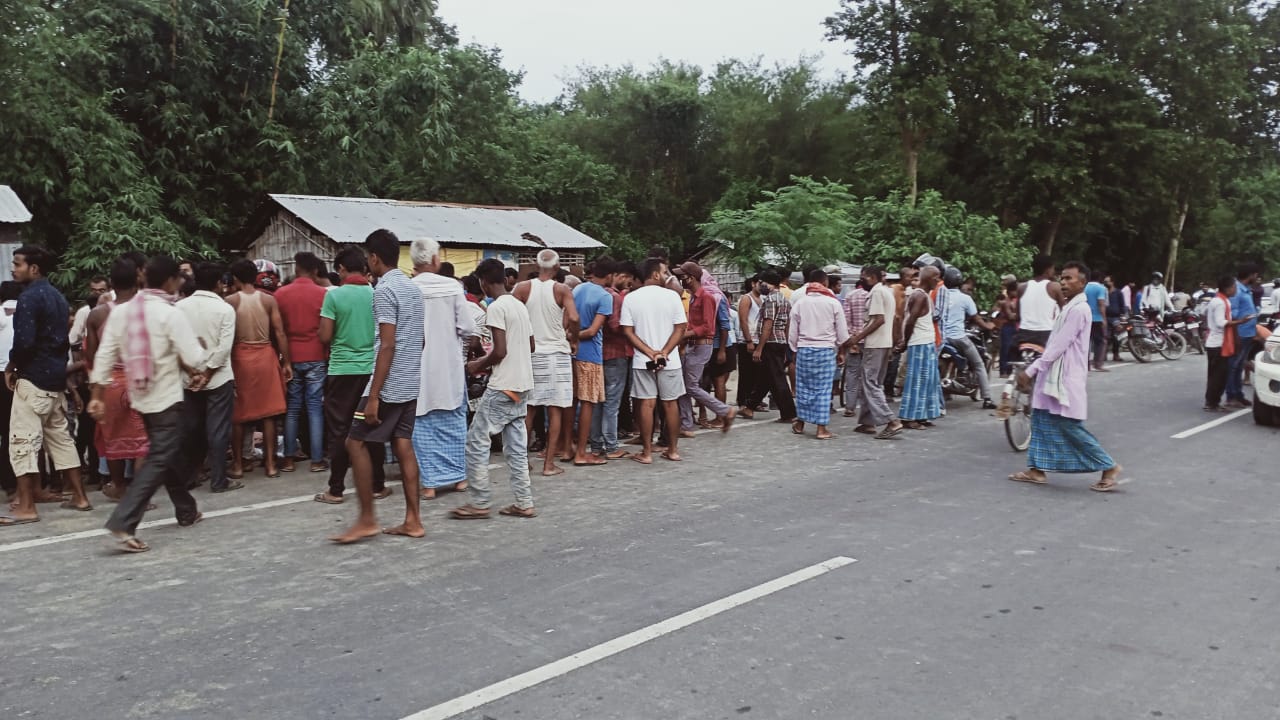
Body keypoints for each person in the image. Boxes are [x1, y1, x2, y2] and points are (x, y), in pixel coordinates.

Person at [89, 256, 211, 552]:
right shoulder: (170, 314)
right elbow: (195, 357)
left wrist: (96, 395)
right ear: (170, 281)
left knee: (163, 452)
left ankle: (186, 509)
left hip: (139, 395)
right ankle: (124, 520)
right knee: (159, 456)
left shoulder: (122, 312)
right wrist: (201, 349)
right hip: (166, 397)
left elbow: (105, 355)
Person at [331, 229, 426, 543]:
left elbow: (387, 345)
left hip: (387, 384)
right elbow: (418, 339)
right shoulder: (412, 288)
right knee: (403, 444)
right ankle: (413, 520)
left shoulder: (384, 290)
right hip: (410, 380)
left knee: (354, 443)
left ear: (373, 258)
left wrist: (373, 395)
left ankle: (367, 518)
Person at [1009, 261, 1123, 492]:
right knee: (1040, 421)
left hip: (1065, 377)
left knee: (1069, 427)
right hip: (1052, 374)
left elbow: (1059, 345)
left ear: (1083, 282)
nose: (1063, 283)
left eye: (1069, 278)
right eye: (1062, 278)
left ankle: (1108, 466)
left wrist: (1031, 370)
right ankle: (1036, 470)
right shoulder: (1069, 307)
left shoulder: (1079, 310)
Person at [1, 246, 92, 526]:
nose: (14, 269)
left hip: (33, 378)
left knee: (23, 442)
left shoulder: (28, 298)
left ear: (34, 268)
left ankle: (27, 506)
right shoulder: (58, 297)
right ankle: (79, 496)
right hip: (54, 378)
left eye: (18, 264)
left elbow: (25, 341)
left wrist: (12, 365)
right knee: (61, 439)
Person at [452, 258, 537, 519]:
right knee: (515, 447)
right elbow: (531, 346)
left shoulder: (497, 308)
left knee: (476, 441)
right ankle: (524, 502)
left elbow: (499, 350)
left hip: (503, 386)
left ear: (483, 282)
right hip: (522, 385)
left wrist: (478, 363)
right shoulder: (518, 305)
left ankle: (479, 502)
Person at [315, 246, 388, 505]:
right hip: (371, 371)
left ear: (342, 270)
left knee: (339, 431)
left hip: (342, 369)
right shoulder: (376, 294)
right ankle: (378, 485)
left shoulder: (334, 297)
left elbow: (324, 336)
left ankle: (336, 489)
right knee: (372, 428)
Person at [409, 237, 477, 500]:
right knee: (453, 421)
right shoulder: (452, 287)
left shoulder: (408, 288)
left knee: (422, 424)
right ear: (435, 260)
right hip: (449, 366)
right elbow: (468, 328)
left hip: (419, 369)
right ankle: (458, 478)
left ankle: (430, 484)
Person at [83, 258, 151, 501]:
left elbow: (91, 355)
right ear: (138, 280)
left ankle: (119, 486)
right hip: (141, 380)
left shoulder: (98, 314)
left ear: (111, 283)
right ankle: (140, 494)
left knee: (112, 439)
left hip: (110, 382)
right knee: (144, 439)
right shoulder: (146, 310)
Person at [176, 261, 241, 494]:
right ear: (219, 283)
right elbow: (224, 347)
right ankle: (218, 479)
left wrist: (193, 372)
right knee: (218, 430)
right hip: (218, 377)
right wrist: (208, 372)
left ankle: (189, 476)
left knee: (191, 429)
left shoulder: (180, 307)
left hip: (187, 377)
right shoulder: (224, 309)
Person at [513, 249, 579, 477]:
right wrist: (573, 338)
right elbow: (574, 318)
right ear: (557, 266)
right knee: (556, 409)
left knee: (528, 410)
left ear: (537, 264)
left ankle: (522, 463)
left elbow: (511, 315)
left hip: (531, 353)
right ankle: (549, 464)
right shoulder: (562, 290)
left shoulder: (522, 288)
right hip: (557, 353)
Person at [225, 259, 290, 479]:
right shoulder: (269, 300)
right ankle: (271, 465)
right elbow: (280, 333)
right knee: (269, 414)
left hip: (240, 358)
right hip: (265, 356)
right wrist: (287, 362)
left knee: (239, 415)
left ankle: (238, 465)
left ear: (234, 278)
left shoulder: (230, 301)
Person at [621, 257, 688, 464]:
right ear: (656, 274)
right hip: (670, 360)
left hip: (643, 360)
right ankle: (673, 450)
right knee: (671, 404)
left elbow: (627, 331)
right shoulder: (672, 296)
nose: (667, 276)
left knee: (646, 404)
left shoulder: (631, 298)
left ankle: (647, 452)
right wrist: (665, 351)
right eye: (665, 272)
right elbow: (681, 328)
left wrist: (650, 352)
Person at [274, 252, 329, 473]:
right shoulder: (323, 294)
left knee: (293, 409)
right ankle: (316, 460)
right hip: (316, 355)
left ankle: (288, 459)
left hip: (291, 357)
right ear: (315, 271)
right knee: (315, 408)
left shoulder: (280, 294)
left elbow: (278, 331)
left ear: (295, 270)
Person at [673, 261, 735, 435]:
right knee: (685, 386)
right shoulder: (694, 296)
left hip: (702, 346)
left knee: (690, 385)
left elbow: (708, 327)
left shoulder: (706, 296)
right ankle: (686, 424)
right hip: (694, 345)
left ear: (691, 278)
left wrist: (685, 335)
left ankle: (724, 410)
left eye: (682, 277)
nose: (681, 280)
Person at [788, 269, 849, 439]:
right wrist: (841, 351)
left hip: (804, 349)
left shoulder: (800, 303)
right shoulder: (833, 303)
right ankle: (821, 429)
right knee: (823, 390)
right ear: (825, 283)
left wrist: (794, 350)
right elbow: (842, 333)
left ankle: (800, 422)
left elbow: (793, 333)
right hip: (825, 350)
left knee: (803, 387)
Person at [570, 258, 615, 465]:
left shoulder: (577, 289)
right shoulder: (605, 297)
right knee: (588, 402)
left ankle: (567, 447)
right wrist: (578, 336)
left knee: (571, 402)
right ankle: (581, 452)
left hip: (572, 353)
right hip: (591, 354)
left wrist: (570, 338)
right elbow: (593, 330)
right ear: (609, 276)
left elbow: (568, 319)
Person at [591, 262, 635, 460]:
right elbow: (616, 326)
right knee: (612, 402)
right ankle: (611, 445)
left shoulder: (594, 293)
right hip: (616, 353)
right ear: (615, 275)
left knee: (598, 402)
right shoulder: (614, 297)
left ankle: (596, 444)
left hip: (598, 352)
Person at [743, 270, 797, 423]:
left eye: (761, 283)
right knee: (766, 377)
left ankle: (789, 413)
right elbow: (787, 325)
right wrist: (786, 343)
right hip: (779, 342)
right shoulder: (785, 300)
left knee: (777, 378)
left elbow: (768, 324)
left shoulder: (771, 300)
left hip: (770, 342)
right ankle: (749, 407)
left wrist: (759, 348)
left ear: (768, 283)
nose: (760, 285)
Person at [942, 269, 997, 408]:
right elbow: (976, 318)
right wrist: (988, 326)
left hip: (941, 338)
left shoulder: (939, 296)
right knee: (979, 364)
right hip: (958, 338)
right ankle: (987, 399)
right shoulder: (965, 298)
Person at [898, 266, 943, 430]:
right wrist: (905, 341)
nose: (937, 281)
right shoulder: (919, 296)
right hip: (919, 343)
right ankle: (909, 417)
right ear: (929, 278)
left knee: (927, 381)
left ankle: (922, 415)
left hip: (926, 342)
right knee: (916, 382)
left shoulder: (924, 295)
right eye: (936, 277)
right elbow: (910, 321)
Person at [1204, 274, 1241, 412]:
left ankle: (1212, 401)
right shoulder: (1220, 302)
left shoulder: (1219, 300)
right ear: (1228, 288)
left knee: (1216, 375)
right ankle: (1211, 402)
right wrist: (1239, 322)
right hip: (1218, 343)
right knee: (1218, 376)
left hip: (1216, 342)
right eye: (1234, 287)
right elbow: (1220, 323)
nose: (1236, 289)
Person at [1225, 263, 1261, 408]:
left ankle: (1238, 395)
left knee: (1239, 365)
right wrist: (1235, 336)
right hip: (1239, 333)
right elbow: (1232, 315)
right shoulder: (1236, 290)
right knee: (1233, 366)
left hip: (1247, 333)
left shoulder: (1246, 290)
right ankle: (1231, 396)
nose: (1257, 277)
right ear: (1251, 274)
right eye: (1256, 274)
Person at [0, 281, 22, 497]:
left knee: (6, 430)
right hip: (22, 374)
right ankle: (34, 481)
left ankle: (7, 481)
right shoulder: (28, 312)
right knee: (24, 430)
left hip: (2, 374)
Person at [840, 275, 870, 418]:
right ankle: (866, 406)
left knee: (852, 374)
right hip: (869, 341)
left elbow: (845, 319)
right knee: (867, 375)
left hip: (853, 341)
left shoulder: (849, 296)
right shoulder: (871, 296)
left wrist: (852, 338)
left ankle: (849, 407)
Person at [1017, 255, 1062, 348]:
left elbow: (1018, 315)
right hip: (1045, 334)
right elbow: (1065, 311)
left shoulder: (1021, 287)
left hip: (1023, 333)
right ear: (1048, 270)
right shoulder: (1055, 287)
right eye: (1053, 268)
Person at [736, 276, 765, 417]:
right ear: (753, 284)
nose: (762, 285)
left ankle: (753, 401)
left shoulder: (763, 299)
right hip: (747, 340)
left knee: (757, 373)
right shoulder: (747, 299)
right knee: (746, 373)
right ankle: (742, 401)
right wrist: (748, 340)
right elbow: (743, 319)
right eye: (760, 282)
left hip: (759, 340)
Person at [994, 276, 1020, 376]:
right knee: (1006, 348)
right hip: (1008, 326)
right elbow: (1010, 316)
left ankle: (1009, 370)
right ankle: (1003, 370)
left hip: (1015, 326)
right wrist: (1018, 315)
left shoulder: (1016, 301)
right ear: (1010, 292)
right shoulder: (1006, 302)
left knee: (1012, 348)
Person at [1084, 271, 1110, 372]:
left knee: (1086, 342)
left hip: (1086, 318)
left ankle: (1086, 365)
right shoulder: (1101, 288)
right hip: (1097, 318)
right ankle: (1098, 364)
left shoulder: (1084, 287)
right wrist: (1104, 319)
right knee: (1100, 342)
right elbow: (1101, 304)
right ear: (1100, 278)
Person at [1106, 275, 1128, 362]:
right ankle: (1103, 355)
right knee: (1105, 336)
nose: (1106, 283)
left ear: (1112, 282)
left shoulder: (1118, 292)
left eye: (1107, 281)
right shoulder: (1104, 292)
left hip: (1116, 318)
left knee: (1116, 337)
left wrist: (1123, 316)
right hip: (1106, 317)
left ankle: (1116, 354)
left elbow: (1122, 305)